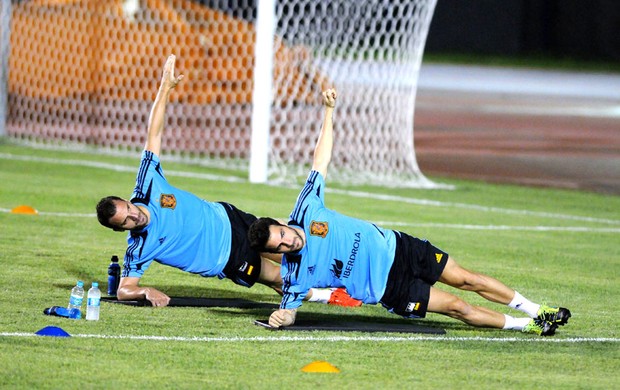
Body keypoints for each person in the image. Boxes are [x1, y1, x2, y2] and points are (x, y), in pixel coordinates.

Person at [247, 88, 571, 336]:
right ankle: (526, 326)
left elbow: (321, 160)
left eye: (284, 235)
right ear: (276, 253)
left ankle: (537, 309)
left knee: (465, 278)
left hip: (400, 247)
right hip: (391, 288)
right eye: (281, 247)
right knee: (457, 307)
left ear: (282, 225)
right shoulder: (294, 275)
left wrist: (329, 112)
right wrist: (282, 317)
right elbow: (289, 310)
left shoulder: (306, 209)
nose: (289, 243)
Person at [95, 55, 361, 308]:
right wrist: (143, 291)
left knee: (290, 234)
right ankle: (328, 296)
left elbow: (153, 134)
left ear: (127, 201)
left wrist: (165, 88)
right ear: (121, 230)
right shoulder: (139, 246)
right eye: (126, 221)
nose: (134, 216)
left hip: (229, 218)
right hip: (227, 258)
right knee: (280, 276)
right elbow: (123, 289)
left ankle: (348, 273)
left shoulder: (147, 185)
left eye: (128, 209)